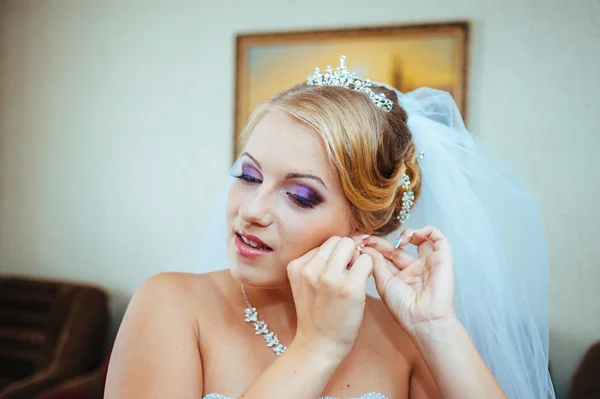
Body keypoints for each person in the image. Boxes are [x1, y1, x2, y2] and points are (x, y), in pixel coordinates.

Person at [105, 56, 555, 399]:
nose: (252, 210)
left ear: (364, 225)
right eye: (248, 176)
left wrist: (435, 326)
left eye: (300, 196)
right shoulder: (172, 304)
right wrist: (317, 347)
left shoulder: (403, 338)